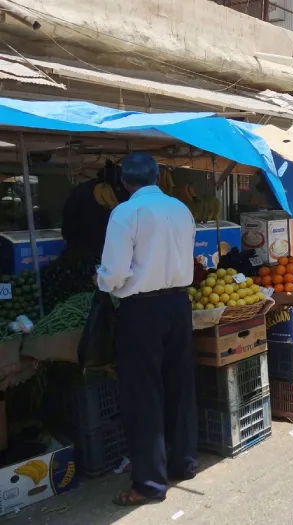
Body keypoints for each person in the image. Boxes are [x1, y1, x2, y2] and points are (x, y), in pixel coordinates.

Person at [96, 153, 197, 506]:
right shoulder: (181, 209)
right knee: (179, 385)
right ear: (157, 177)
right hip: (179, 305)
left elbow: (113, 274)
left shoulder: (125, 213)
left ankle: (150, 483)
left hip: (142, 310)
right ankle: (183, 462)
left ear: (124, 182)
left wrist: (100, 278)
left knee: (144, 394)